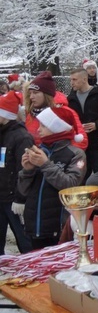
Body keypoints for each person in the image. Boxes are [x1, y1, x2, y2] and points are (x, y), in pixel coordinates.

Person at [17, 106, 87, 249]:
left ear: (56, 127)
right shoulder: (38, 151)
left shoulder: (76, 154)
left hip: (58, 227)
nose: (38, 129)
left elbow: (70, 185)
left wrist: (45, 164)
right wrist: (27, 171)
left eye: (43, 125)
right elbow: (23, 191)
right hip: (34, 226)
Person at [0, 92, 34, 254]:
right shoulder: (3, 133)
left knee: (24, 241)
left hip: (13, 199)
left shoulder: (21, 137)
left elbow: (26, 169)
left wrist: (20, 197)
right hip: (2, 195)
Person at [25, 72, 88, 151]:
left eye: (35, 93)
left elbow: (81, 141)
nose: (31, 97)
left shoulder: (64, 112)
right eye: (30, 93)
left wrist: (60, 158)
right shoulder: (31, 114)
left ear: (46, 94)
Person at [67, 68, 98, 176]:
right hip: (80, 147)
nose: (71, 83)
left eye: (74, 79)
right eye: (71, 80)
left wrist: (97, 124)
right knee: (80, 175)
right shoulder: (70, 98)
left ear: (84, 79)